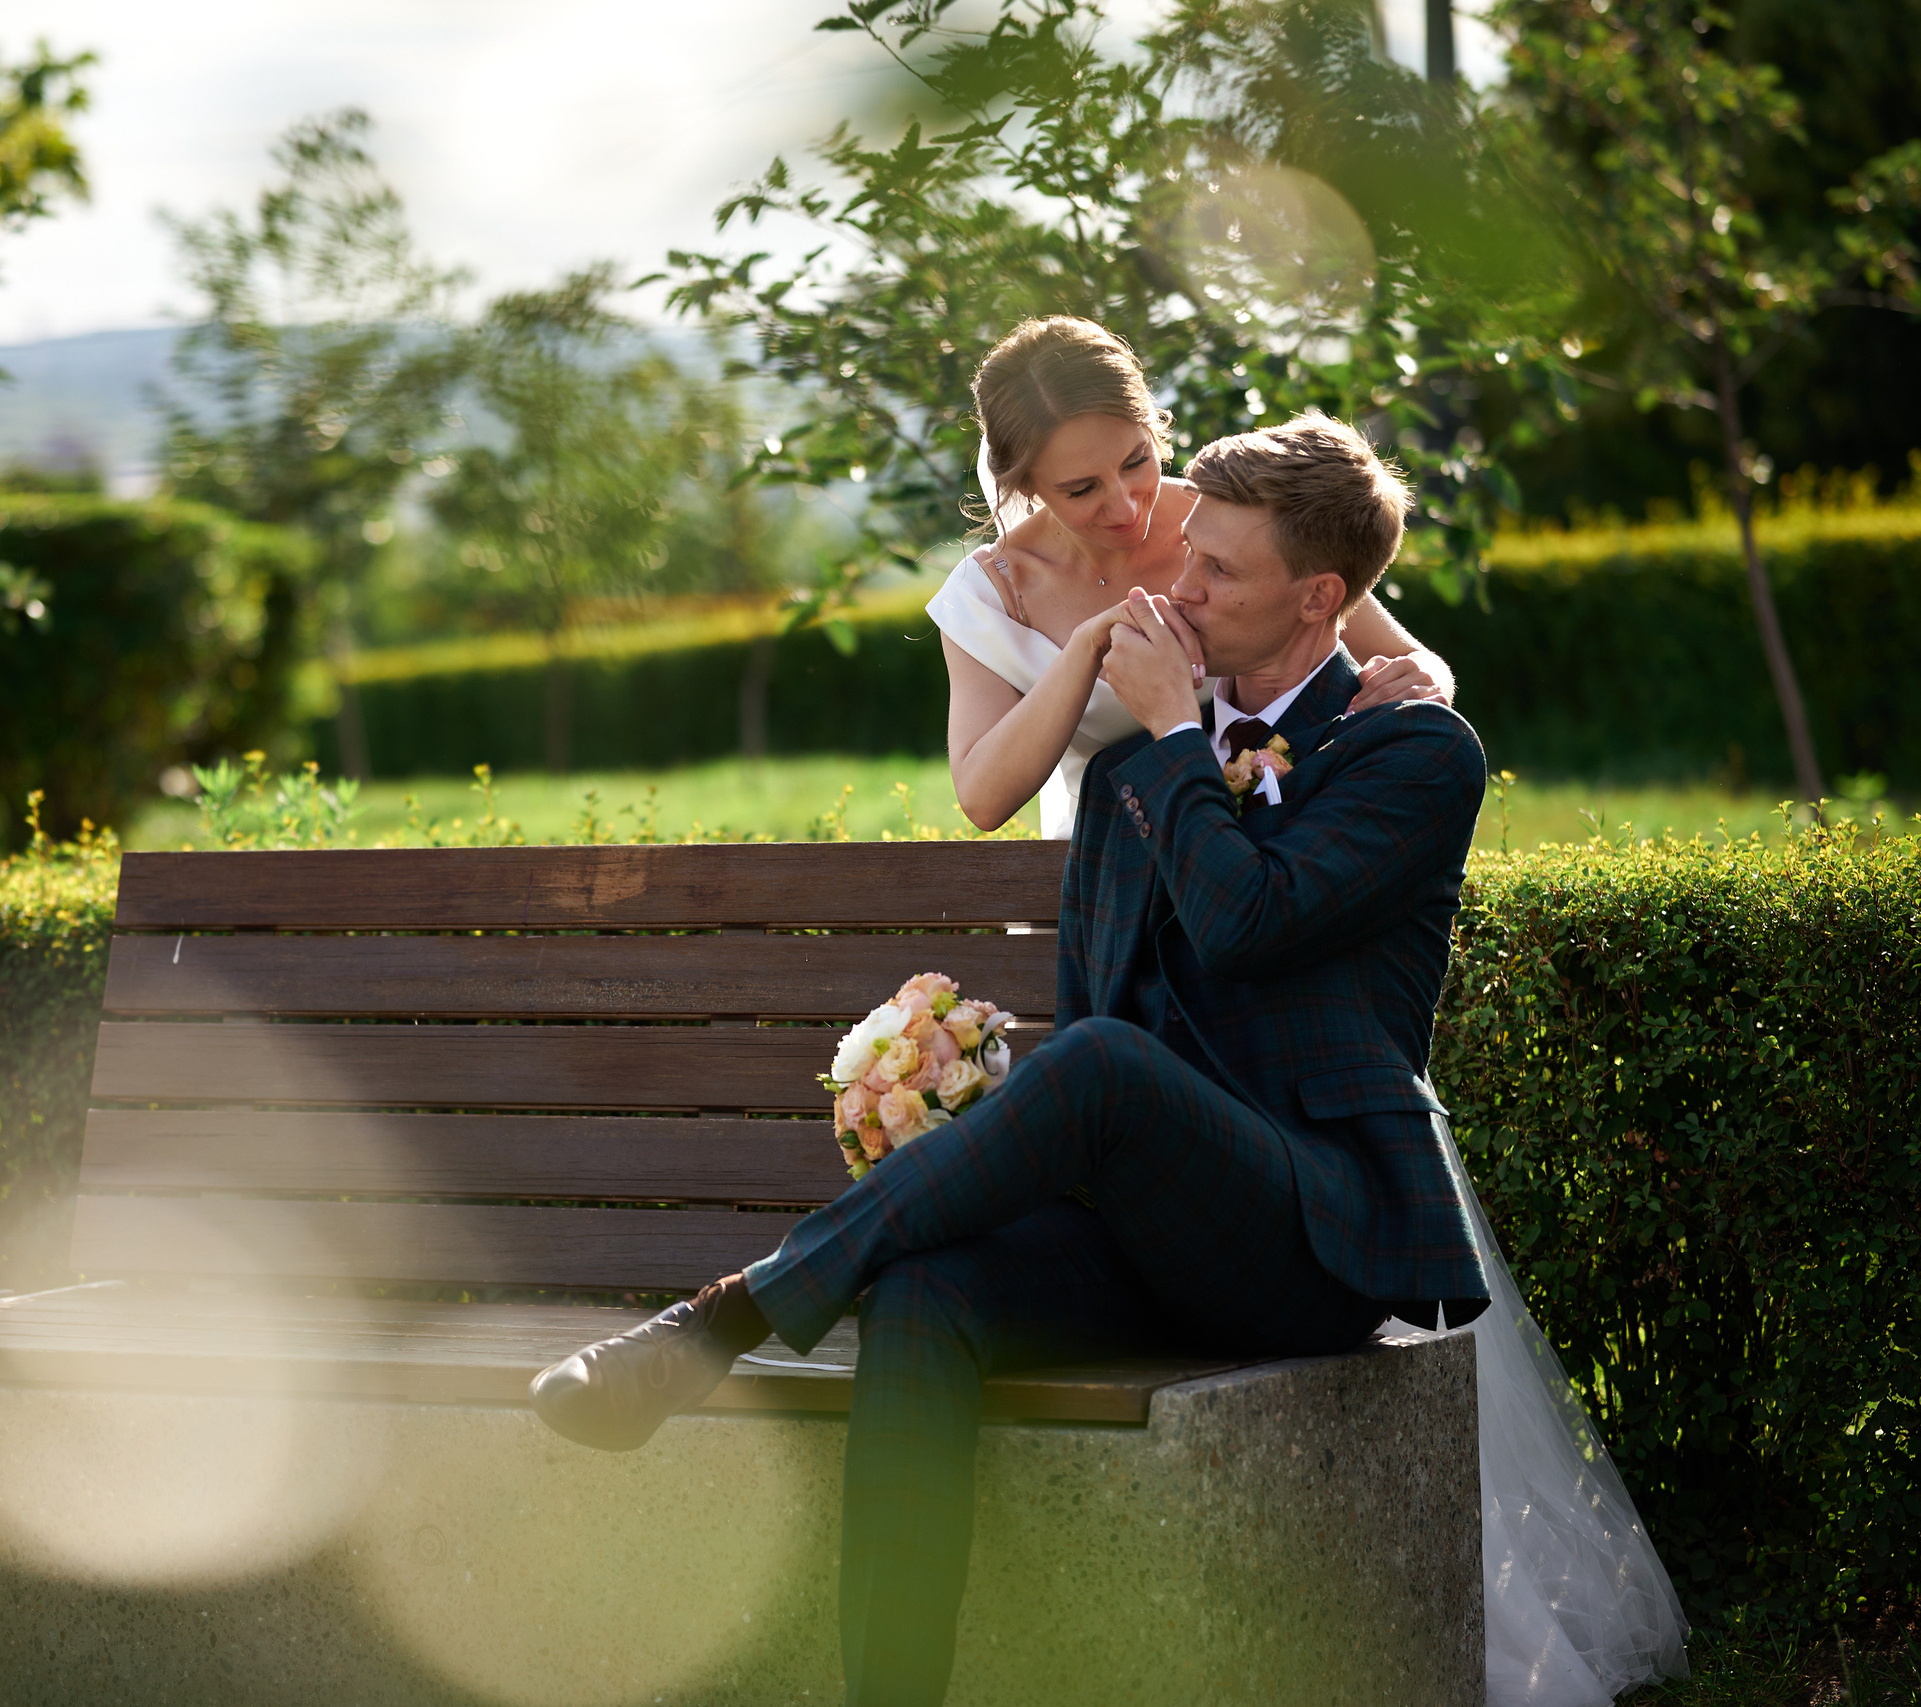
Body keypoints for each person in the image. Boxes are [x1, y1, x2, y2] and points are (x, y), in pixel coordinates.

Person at [529, 411, 1690, 1705]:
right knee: (923, 1292)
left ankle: (720, 1319)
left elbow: (1249, 927)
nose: (1176, 586)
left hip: (1310, 1238)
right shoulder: (1138, 769)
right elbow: (1105, 1000)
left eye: (1219, 573)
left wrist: (1178, 736)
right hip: (1150, 1232)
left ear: (1318, 600)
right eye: (1189, 560)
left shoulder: (1413, 755)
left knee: (1089, 1066)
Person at [930, 316, 1453, 839]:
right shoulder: (989, 599)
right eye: (1082, 489)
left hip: (1276, 836)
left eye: (1136, 461)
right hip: (1107, 862)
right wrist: (1087, 648)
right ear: (1026, 484)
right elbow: (983, 800)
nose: (1126, 505)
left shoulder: (1225, 523)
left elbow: (1385, 639)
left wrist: (1428, 679)